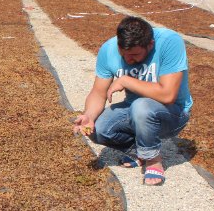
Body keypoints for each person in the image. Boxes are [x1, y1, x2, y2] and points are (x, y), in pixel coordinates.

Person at [73, 16, 192, 186]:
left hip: (173, 112)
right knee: (97, 129)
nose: (129, 60)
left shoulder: (169, 42)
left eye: (135, 55)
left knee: (141, 106)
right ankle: (140, 152)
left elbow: (168, 95)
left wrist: (126, 80)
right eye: (124, 55)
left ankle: (152, 159)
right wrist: (89, 116)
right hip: (134, 110)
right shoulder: (108, 50)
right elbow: (98, 93)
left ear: (150, 44)